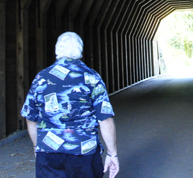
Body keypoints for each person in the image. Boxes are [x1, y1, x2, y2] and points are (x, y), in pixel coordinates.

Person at [21, 32, 120, 178]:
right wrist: (112, 154)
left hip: (48, 153)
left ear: (57, 50)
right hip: (83, 153)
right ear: (80, 50)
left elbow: (30, 117)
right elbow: (105, 119)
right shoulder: (91, 77)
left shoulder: (41, 78)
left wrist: (38, 147)